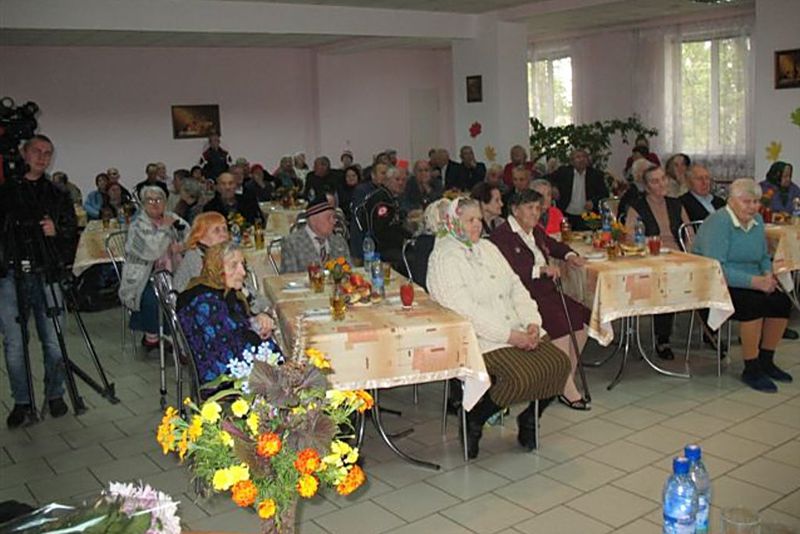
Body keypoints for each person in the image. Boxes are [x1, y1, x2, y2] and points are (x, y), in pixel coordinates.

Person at [427, 198, 571, 458]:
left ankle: (529, 418)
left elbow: (517, 287)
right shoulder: (443, 258)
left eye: (479, 220)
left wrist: (532, 323)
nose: (477, 226)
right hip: (479, 338)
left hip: (515, 329)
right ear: (451, 222)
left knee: (560, 365)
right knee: (519, 377)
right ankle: (475, 419)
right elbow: (465, 311)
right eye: (470, 220)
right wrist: (509, 336)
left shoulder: (488, 248)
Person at [0, 134, 78, 427]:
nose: (42, 157)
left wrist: (56, 231)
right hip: (11, 275)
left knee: (55, 341)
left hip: (47, 273)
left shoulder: (57, 194)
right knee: (14, 344)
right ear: (24, 152)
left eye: (48, 153)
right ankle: (22, 401)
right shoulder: (6, 192)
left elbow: (71, 233)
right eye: (36, 151)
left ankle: (55, 394)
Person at [489, 190, 590, 410]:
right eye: (530, 208)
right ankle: (567, 389)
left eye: (538, 208)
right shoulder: (502, 236)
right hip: (525, 294)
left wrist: (571, 256)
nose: (536, 213)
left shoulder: (534, 231)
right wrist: (540, 269)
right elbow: (509, 270)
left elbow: (554, 246)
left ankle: (563, 380)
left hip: (546, 290)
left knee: (582, 320)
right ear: (515, 210)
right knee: (562, 327)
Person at [693, 178, 793, 392]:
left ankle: (767, 360)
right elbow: (717, 267)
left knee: (781, 302)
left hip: (754, 280)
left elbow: (764, 256)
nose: (752, 207)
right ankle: (752, 367)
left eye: (756, 201)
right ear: (731, 201)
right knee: (753, 305)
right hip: (718, 284)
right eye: (746, 201)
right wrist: (755, 282)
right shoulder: (719, 223)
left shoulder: (756, 221)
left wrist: (767, 274)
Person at [177, 241, 280, 384]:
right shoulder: (205, 303)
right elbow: (225, 354)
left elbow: (234, 329)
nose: (243, 273)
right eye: (234, 266)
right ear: (217, 267)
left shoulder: (221, 291)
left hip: (231, 360)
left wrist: (256, 323)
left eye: (243, 265)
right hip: (220, 376)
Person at [624, 165, 691, 360]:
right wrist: (649, 243)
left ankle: (710, 333)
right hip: (652, 257)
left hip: (678, 254)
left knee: (706, 273)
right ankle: (663, 338)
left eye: (663, 179)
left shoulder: (676, 204)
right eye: (655, 181)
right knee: (666, 282)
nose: (661, 184)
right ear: (646, 186)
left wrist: (690, 254)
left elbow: (688, 233)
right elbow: (630, 237)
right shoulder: (637, 206)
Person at [119, 186, 187, 350]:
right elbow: (152, 252)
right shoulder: (137, 226)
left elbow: (191, 235)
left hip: (174, 271)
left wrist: (182, 245)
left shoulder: (173, 219)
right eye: (149, 200)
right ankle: (156, 335)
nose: (155, 204)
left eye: (159, 200)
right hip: (144, 274)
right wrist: (164, 228)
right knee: (154, 297)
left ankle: (180, 335)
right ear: (142, 204)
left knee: (188, 292)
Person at [280, 198, 351, 273]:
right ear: (313, 220)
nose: (334, 221)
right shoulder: (292, 243)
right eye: (328, 218)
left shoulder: (339, 242)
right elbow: (289, 279)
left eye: (334, 217)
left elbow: (349, 272)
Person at [362, 166, 410, 269]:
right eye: (397, 179)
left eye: (404, 180)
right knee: (412, 258)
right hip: (379, 248)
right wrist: (404, 240)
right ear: (386, 181)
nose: (401, 183)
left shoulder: (391, 197)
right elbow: (381, 231)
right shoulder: (381, 200)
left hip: (391, 243)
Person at [548, 149, 609, 231]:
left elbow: (604, 194)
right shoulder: (564, 172)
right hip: (566, 214)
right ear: (572, 161)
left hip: (587, 216)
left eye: (584, 157)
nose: (581, 159)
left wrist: (593, 202)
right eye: (578, 157)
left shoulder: (596, 174)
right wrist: (553, 187)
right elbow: (547, 178)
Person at [349, 162, 388, 261]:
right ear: (373, 175)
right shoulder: (362, 190)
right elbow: (360, 216)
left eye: (387, 173)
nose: (386, 176)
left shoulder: (386, 191)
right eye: (383, 173)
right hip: (364, 236)